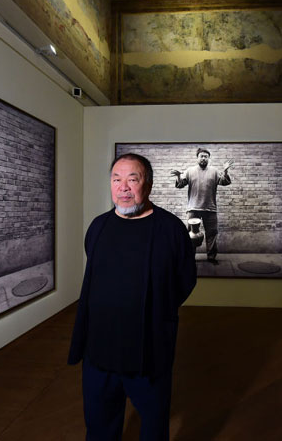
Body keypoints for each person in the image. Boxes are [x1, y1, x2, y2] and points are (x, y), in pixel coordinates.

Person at [68, 153, 197, 441]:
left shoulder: (171, 229)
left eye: (132, 179)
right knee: (99, 426)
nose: (123, 187)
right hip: (99, 353)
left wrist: (156, 310)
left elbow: (185, 281)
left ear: (147, 184)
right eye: (116, 179)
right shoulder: (98, 226)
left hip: (148, 354)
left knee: (152, 427)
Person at [171, 148, 233, 264]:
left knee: (212, 233)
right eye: (201, 156)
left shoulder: (214, 171)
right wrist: (179, 176)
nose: (203, 158)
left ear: (209, 158)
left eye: (206, 156)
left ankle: (211, 257)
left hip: (210, 208)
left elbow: (224, 182)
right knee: (191, 235)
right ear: (197, 158)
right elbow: (180, 185)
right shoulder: (190, 171)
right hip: (193, 208)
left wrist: (225, 171)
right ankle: (190, 258)